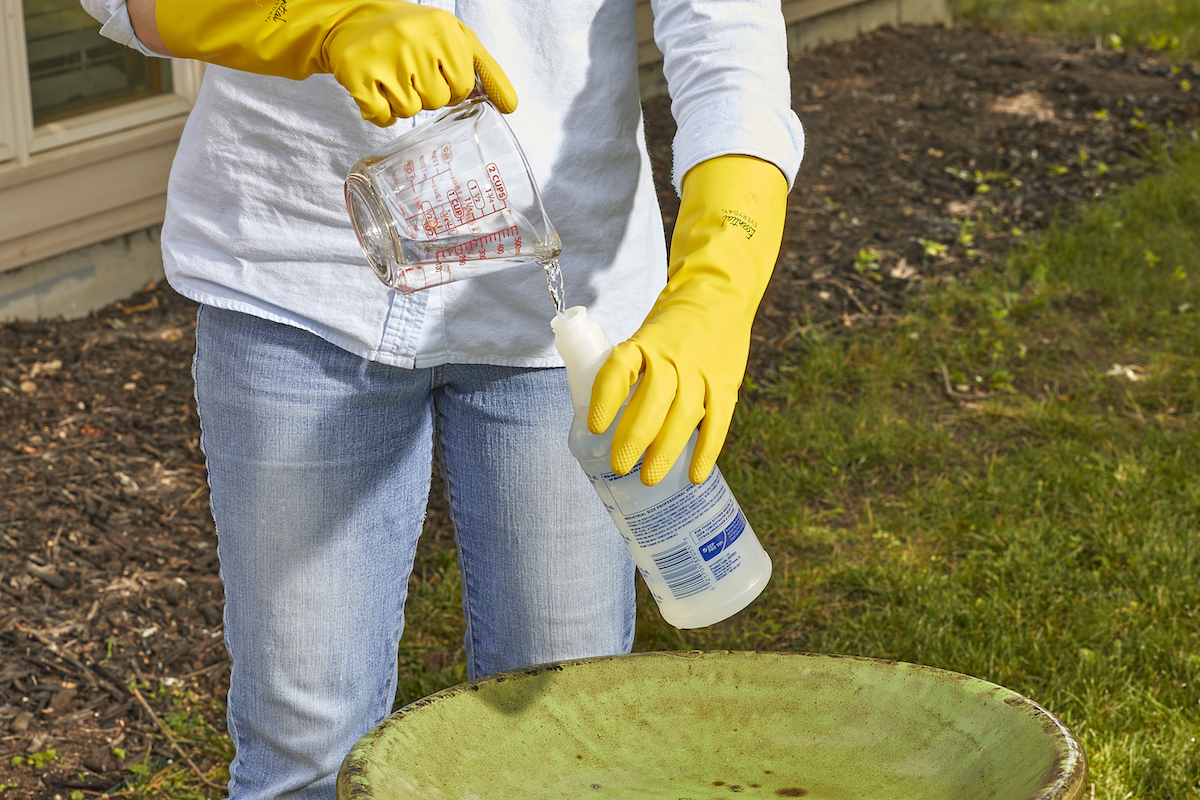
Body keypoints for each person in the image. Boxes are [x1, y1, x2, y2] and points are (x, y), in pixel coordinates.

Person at [81, 1, 804, 797]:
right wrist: (312, 22)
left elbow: (727, 38)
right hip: (297, 275)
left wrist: (716, 290)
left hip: (560, 313)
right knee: (307, 755)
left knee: (556, 745)